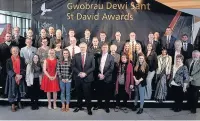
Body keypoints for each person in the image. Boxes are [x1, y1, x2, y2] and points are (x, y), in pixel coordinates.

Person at [72, 42, 95, 115]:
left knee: (87, 94)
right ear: (79, 48)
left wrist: (85, 73)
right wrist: (79, 73)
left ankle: (89, 109)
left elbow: (93, 67)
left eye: (84, 47)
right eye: (81, 47)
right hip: (78, 78)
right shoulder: (75, 56)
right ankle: (79, 106)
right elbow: (73, 66)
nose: (82, 48)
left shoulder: (91, 56)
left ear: (86, 48)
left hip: (87, 78)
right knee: (79, 94)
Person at [94, 43, 114, 113]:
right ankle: (99, 105)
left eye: (106, 47)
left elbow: (111, 69)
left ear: (108, 48)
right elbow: (96, 67)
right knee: (99, 92)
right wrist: (99, 74)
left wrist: (104, 75)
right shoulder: (98, 56)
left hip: (107, 78)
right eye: (103, 47)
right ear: (101, 48)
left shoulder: (111, 57)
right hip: (99, 77)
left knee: (107, 94)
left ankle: (106, 107)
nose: (104, 49)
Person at [5, 46, 26, 112]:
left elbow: (24, 69)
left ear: (18, 51)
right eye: (13, 51)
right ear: (11, 52)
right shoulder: (8, 60)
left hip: (20, 77)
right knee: (12, 91)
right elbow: (8, 70)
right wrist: (15, 75)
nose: (15, 52)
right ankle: (13, 104)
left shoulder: (22, 59)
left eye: (16, 51)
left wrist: (21, 75)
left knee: (20, 90)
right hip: (12, 78)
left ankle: (19, 102)